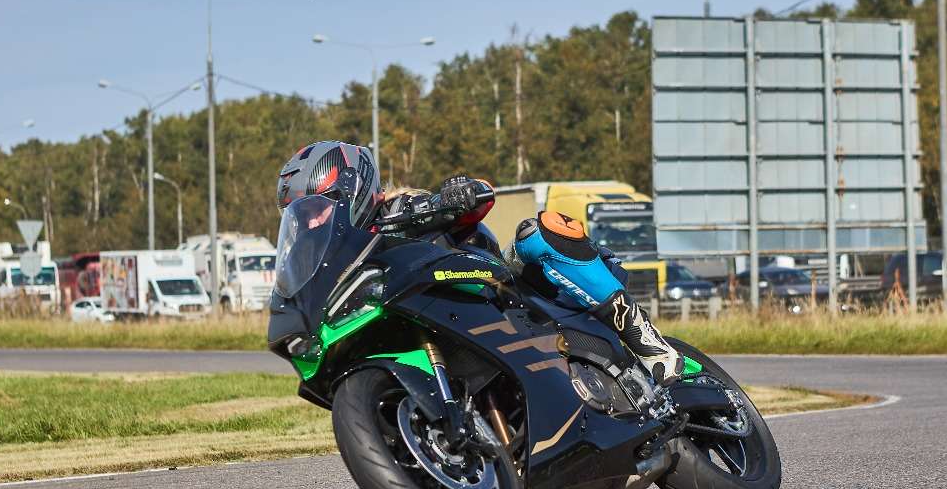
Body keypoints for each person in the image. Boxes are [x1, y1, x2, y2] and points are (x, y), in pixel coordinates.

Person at [276, 140, 682, 385]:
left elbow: (481, 198)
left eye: (318, 208)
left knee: (536, 233)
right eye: (303, 214)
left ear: (352, 186)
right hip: (441, 326)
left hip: (507, 293)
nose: (313, 221)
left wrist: (458, 194)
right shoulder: (342, 258)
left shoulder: (404, 208)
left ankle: (647, 342)